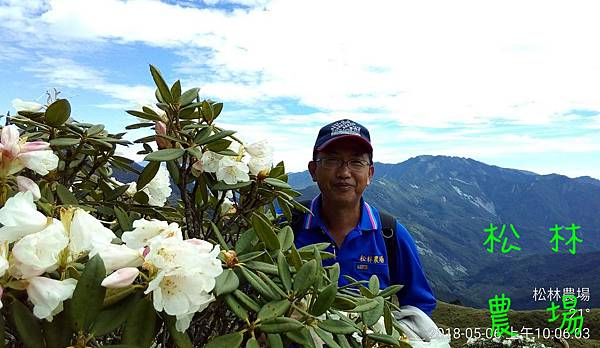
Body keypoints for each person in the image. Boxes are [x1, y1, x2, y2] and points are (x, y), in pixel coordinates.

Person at [293, 119, 437, 316]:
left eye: (356, 162)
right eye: (332, 160)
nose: (344, 172)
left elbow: (420, 304)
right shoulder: (288, 226)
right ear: (313, 170)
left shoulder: (390, 234)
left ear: (370, 173)